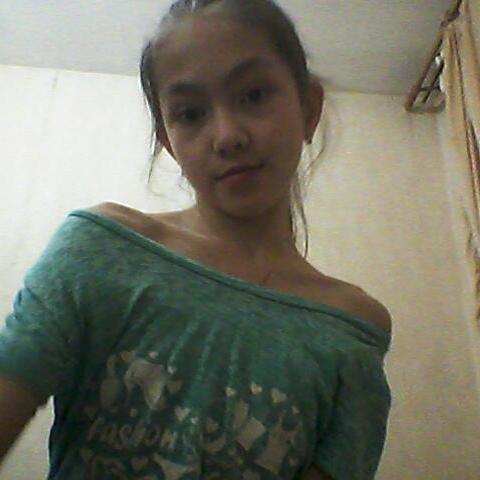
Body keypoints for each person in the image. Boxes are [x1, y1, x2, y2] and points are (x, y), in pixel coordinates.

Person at [0, 0, 393, 479]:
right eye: (189, 114)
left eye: (254, 95)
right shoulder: (97, 251)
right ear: (169, 142)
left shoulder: (351, 331)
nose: (227, 136)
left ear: (309, 109)